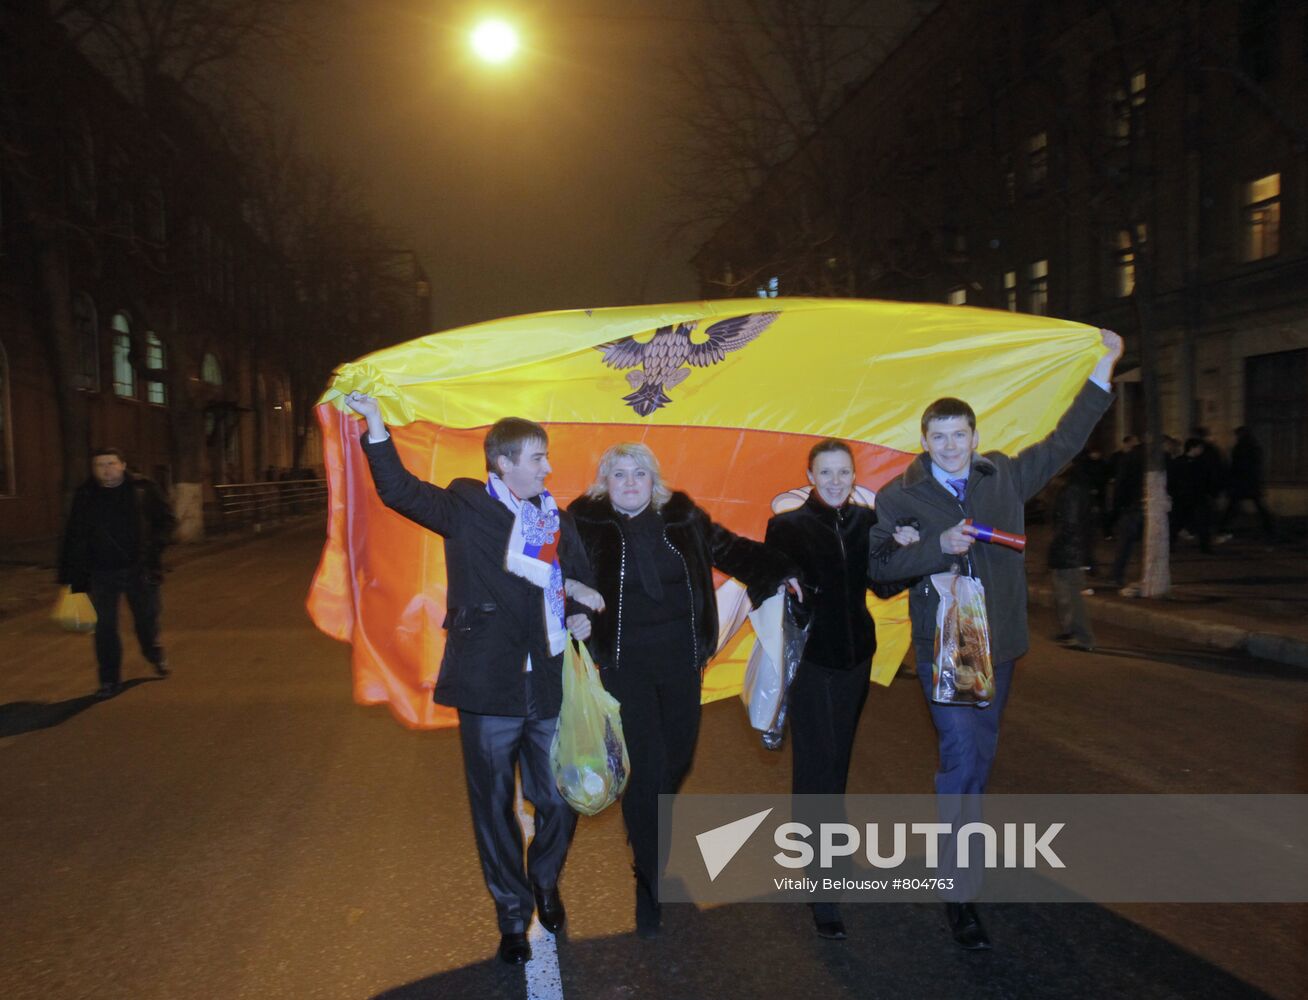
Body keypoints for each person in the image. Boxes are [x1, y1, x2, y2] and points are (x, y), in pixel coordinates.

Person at [867, 329, 1123, 950]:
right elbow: (877, 573)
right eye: (939, 437)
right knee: (960, 758)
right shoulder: (899, 497)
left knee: (979, 758)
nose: (951, 447)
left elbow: (1064, 441)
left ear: (974, 438)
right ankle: (959, 893)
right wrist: (934, 547)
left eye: (960, 436)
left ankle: (961, 848)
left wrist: (1104, 369)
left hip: (999, 643)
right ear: (922, 441)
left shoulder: (1003, 476)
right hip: (946, 647)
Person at [344, 392, 599, 966]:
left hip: (548, 681)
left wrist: (582, 604)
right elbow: (399, 491)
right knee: (492, 806)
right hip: (487, 684)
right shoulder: (466, 505)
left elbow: (578, 578)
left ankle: (545, 880)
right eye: (537, 458)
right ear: (503, 464)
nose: (548, 468)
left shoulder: (556, 517)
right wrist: (376, 423)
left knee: (558, 799)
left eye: (547, 457)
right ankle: (512, 914)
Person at [567, 442, 798, 940]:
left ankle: (651, 832)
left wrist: (785, 571)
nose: (630, 482)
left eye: (640, 474)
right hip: (625, 666)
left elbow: (733, 549)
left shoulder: (683, 516)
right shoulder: (585, 523)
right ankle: (649, 881)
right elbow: (554, 574)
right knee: (646, 769)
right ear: (604, 483)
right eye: (619, 474)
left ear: (655, 481)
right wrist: (575, 608)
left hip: (681, 664)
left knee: (677, 762)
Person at [761, 439, 917, 940]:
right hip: (811, 661)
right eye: (825, 472)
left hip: (855, 658)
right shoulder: (786, 526)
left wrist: (904, 549)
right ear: (809, 474)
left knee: (838, 759)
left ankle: (828, 847)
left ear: (854, 476)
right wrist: (780, 581)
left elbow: (884, 585)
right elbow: (766, 586)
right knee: (815, 764)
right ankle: (820, 883)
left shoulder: (866, 523)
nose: (834, 480)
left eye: (843, 472)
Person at [57, 447, 176, 699]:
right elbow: (74, 535)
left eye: (111, 463)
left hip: (140, 569)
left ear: (123, 465)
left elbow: (166, 520)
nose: (105, 469)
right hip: (101, 572)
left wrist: (156, 546)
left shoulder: (144, 489)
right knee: (105, 628)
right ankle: (109, 679)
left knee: (146, 619)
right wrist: (74, 578)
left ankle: (153, 651)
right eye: (99, 465)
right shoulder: (86, 494)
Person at [1047, 458, 1096, 652]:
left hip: (1070, 551)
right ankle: (1071, 631)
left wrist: (1058, 546)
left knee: (1073, 596)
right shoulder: (1071, 488)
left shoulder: (1071, 491)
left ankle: (1085, 639)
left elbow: (1070, 524)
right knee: (1064, 594)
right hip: (1070, 549)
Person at [1218, 426, 1275, 540]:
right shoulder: (1255, 446)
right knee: (1259, 506)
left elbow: (1236, 466)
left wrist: (1231, 481)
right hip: (1252, 482)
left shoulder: (1240, 447)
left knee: (1232, 506)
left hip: (1241, 483)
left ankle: (1222, 527)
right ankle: (1269, 527)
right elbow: (1257, 465)